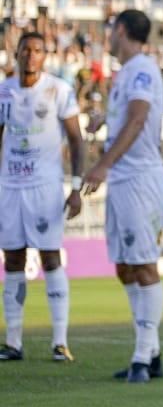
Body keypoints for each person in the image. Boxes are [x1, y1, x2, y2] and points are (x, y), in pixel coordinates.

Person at [82, 9, 163, 384]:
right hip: (124, 180)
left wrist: (101, 164)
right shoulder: (127, 73)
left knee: (144, 264)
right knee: (125, 266)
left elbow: (137, 120)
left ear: (120, 30)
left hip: (140, 181)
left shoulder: (141, 69)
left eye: (110, 31)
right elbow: (127, 118)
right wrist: (104, 120)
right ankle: (150, 353)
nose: (108, 37)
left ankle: (142, 357)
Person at [0, 31, 86, 363]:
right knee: (13, 261)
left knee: (51, 257)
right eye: (25, 50)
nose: (30, 56)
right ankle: (13, 341)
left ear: (45, 56)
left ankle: (60, 342)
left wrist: (76, 186)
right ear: (17, 54)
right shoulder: (4, 91)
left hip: (45, 187)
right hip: (10, 186)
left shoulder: (58, 90)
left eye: (37, 50)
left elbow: (77, 141)